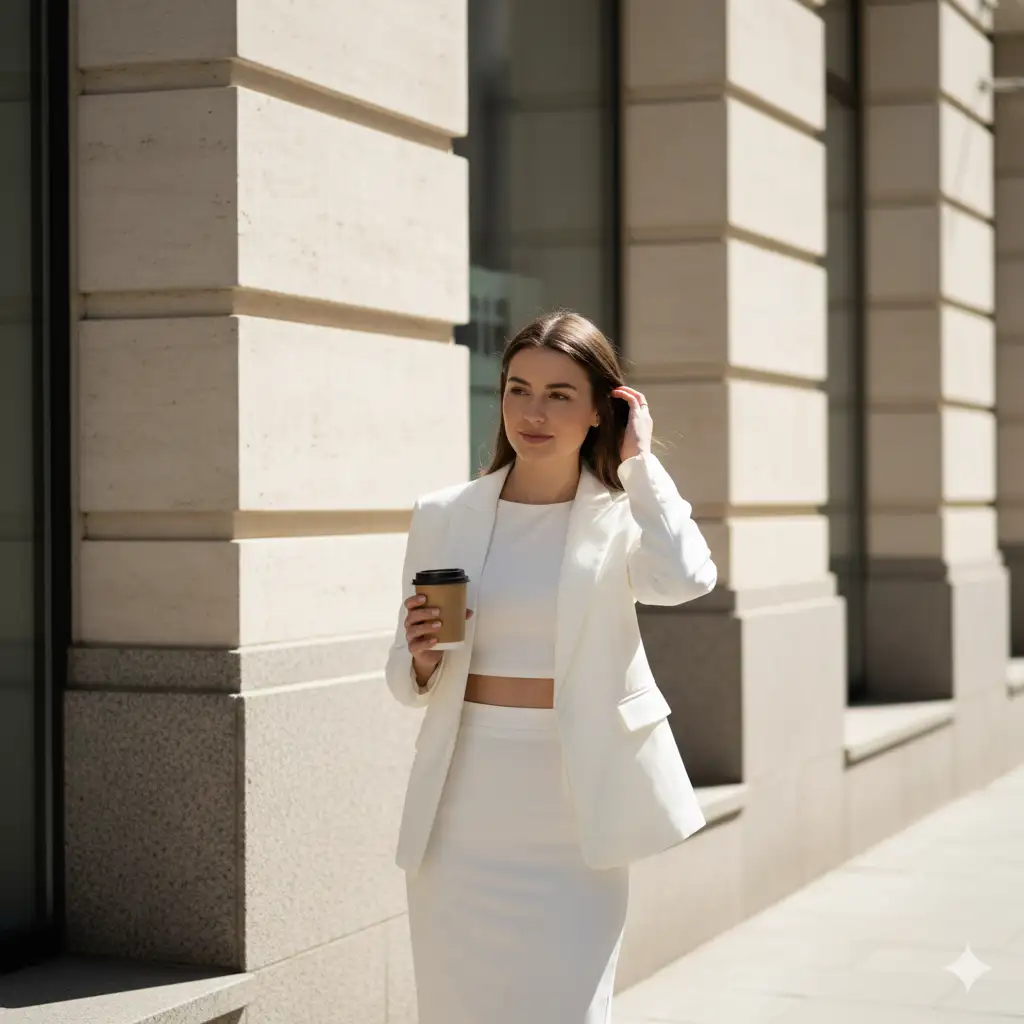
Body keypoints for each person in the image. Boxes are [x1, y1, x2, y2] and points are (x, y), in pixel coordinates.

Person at [384, 310, 717, 1024]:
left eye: (560, 394)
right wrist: (416, 660)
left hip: (574, 805)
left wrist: (640, 463)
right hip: (462, 805)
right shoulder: (446, 514)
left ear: (604, 409)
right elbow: (408, 681)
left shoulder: (622, 515)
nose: (532, 412)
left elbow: (688, 577)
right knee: (457, 1007)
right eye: (517, 389)